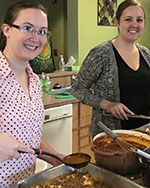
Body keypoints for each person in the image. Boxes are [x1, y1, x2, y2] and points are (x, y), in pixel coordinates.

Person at [0, 1, 65, 187]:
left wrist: (54, 156)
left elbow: (30, 136)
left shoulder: (35, 80)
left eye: (42, 31)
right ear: (7, 30)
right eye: (28, 28)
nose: (36, 38)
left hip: (26, 181)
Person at [72, 0, 150, 138]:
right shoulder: (101, 53)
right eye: (128, 19)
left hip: (144, 131)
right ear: (117, 22)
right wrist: (106, 104)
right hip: (112, 135)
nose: (134, 25)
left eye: (139, 20)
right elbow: (77, 88)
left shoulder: (145, 53)